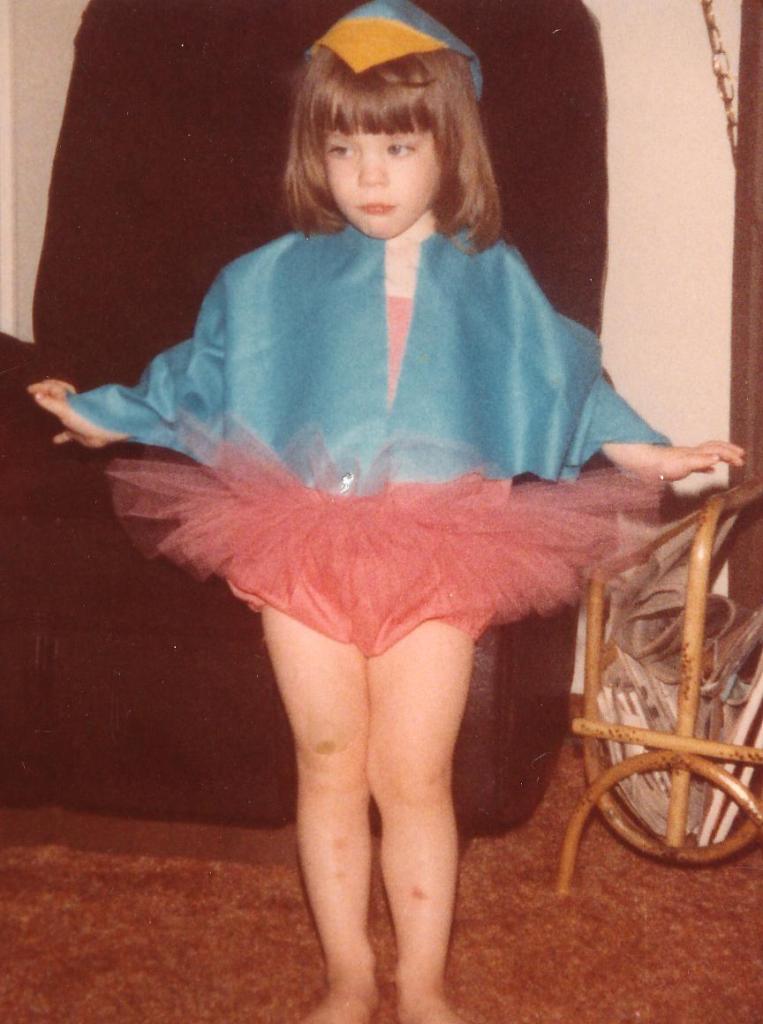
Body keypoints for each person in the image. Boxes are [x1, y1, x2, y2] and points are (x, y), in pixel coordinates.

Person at [29, 3, 744, 1021]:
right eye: (343, 147)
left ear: (449, 149)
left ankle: (422, 983)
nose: (368, 174)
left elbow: (571, 386)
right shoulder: (271, 277)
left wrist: (659, 453)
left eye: (397, 147)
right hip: (299, 538)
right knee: (326, 760)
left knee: (412, 774)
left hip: (442, 547)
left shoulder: (492, 281)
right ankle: (348, 975)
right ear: (314, 152)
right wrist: (105, 415)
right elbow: (198, 376)